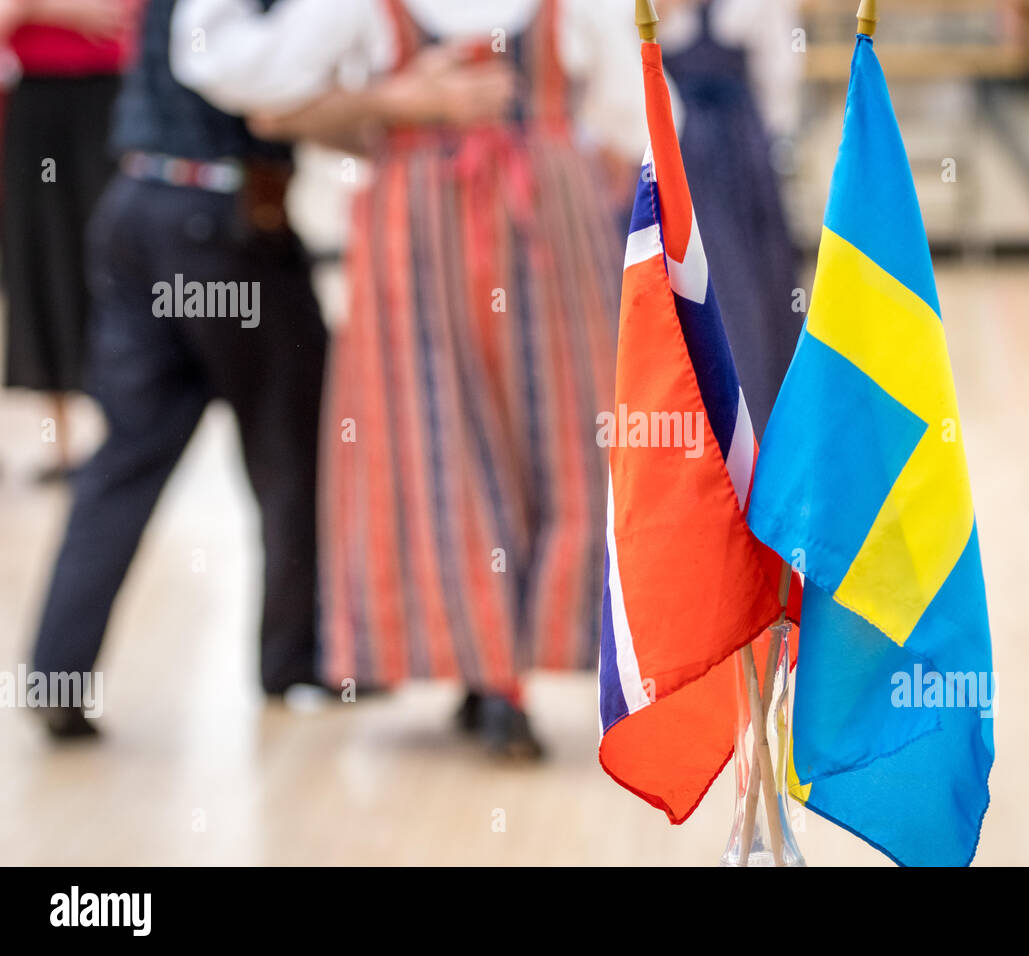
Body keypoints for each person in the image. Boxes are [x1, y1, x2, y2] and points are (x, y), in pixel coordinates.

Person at [172, 0, 622, 759]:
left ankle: (497, 668)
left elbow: (637, 112)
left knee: (531, 442)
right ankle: (495, 673)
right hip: (463, 225)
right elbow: (243, 80)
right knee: (448, 439)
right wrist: (397, 103)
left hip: (524, 225)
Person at [27, 0, 329, 737]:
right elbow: (265, 99)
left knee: (124, 457)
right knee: (290, 451)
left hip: (137, 206)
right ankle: (292, 663)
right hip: (222, 224)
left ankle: (55, 674)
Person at [657, 0, 803, 438]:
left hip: (739, 164)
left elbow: (781, 77)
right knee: (693, 289)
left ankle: (757, 427)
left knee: (750, 291)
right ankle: (698, 428)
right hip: (676, 159)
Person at [0, 0, 133, 481]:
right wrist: (51, 9)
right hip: (41, 108)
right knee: (41, 255)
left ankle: (117, 434)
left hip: (109, 101)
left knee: (110, 255)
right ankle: (59, 442)